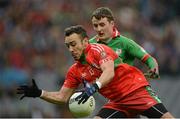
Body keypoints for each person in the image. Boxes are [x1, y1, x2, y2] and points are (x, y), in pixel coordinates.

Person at [17, 25, 174, 118]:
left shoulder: (99, 49)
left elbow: (108, 72)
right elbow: (62, 97)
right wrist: (40, 93)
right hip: (118, 102)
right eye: (68, 46)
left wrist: (95, 86)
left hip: (136, 92)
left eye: (73, 44)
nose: (71, 49)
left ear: (85, 42)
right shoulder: (74, 71)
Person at [89, 7, 159, 80]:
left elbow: (148, 58)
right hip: (102, 89)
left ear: (112, 23)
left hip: (126, 89)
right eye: (95, 25)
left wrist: (154, 68)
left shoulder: (125, 43)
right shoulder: (90, 45)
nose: (99, 29)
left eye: (102, 24)